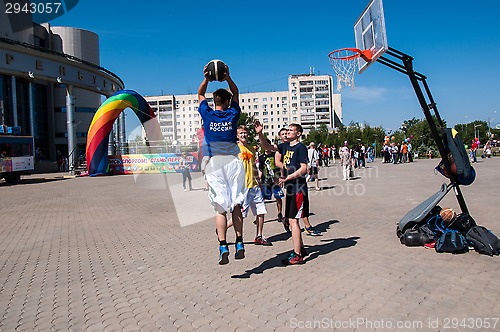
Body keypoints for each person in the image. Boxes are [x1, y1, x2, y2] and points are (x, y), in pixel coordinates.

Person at [197, 63, 246, 265]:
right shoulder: (232, 114)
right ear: (227, 101)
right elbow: (236, 92)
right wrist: (227, 77)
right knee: (236, 205)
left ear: (215, 101)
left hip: (215, 164)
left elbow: (200, 95)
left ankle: (223, 245)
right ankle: (240, 242)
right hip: (234, 162)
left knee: (220, 209)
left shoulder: (207, 115)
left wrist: (207, 79)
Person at [227, 125, 271, 246]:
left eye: (245, 133)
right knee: (241, 215)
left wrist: (258, 180)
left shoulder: (252, 149)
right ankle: (222, 229)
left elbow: (254, 166)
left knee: (261, 212)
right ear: (237, 135)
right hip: (242, 187)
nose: (243, 135)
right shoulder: (234, 149)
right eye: (241, 133)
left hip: (255, 186)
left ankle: (259, 236)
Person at [276, 123, 310, 264]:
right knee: (291, 220)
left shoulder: (300, 147)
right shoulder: (285, 146)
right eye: (287, 130)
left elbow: (304, 169)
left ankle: (297, 255)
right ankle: (301, 249)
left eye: (291, 130)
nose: (288, 132)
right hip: (290, 189)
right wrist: (259, 134)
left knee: (293, 220)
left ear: (298, 134)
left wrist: (288, 177)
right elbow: (269, 148)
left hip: (298, 189)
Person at [258, 140, 284, 223]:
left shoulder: (275, 155)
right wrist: (258, 179)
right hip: (265, 181)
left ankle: (279, 213)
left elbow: (280, 166)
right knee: (262, 199)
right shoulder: (261, 157)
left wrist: (282, 177)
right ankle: (260, 216)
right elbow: (260, 169)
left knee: (278, 197)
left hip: (275, 180)